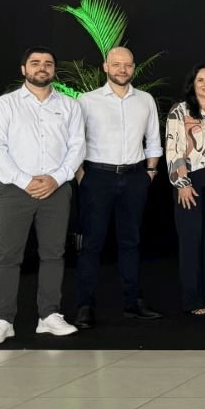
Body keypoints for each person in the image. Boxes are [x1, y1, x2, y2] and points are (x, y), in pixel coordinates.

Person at [0, 47, 84, 345]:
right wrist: (25, 181)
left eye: (48, 64)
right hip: (15, 190)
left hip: (56, 189)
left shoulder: (69, 106)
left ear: (54, 70)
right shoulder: (5, 105)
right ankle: (3, 320)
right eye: (35, 63)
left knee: (53, 254)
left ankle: (49, 316)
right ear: (23, 69)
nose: (42, 68)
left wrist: (56, 178)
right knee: (8, 256)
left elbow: (77, 146)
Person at [74, 46, 163, 328]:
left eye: (127, 65)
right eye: (116, 64)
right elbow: (75, 141)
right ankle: (85, 306)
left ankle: (133, 303)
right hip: (97, 177)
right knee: (92, 244)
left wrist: (150, 172)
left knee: (131, 242)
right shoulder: (87, 101)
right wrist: (81, 175)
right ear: (105, 66)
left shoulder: (145, 100)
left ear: (133, 67)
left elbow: (154, 139)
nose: (122, 69)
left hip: (135, 177)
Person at [165, 64, 205, 316]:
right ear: (193, 84)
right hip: (190, 182)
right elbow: (172, 149)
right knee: (191, 241)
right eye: (200, 80)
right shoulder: (180, 111)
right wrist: (182, 184)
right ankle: (192, 300)